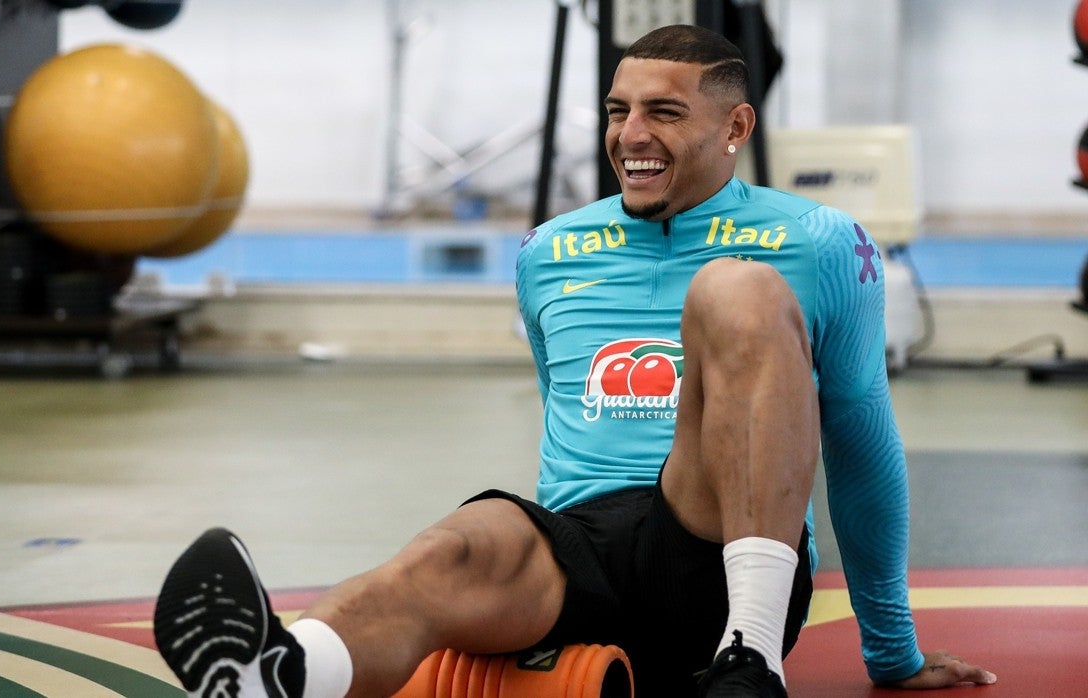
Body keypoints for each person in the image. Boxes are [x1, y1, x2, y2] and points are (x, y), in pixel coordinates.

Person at [152, 24, 997, 698]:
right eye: (617, 110)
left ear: (735, 126)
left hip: (714, 547)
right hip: (580, 557)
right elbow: (564, 417)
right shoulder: (549, 251)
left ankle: (748, 661)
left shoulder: (819, 242)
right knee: (451, 549)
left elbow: (860, 442)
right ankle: (282, 673)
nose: (631, 134)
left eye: (664, 112)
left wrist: (890, 649)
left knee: (734, 290)